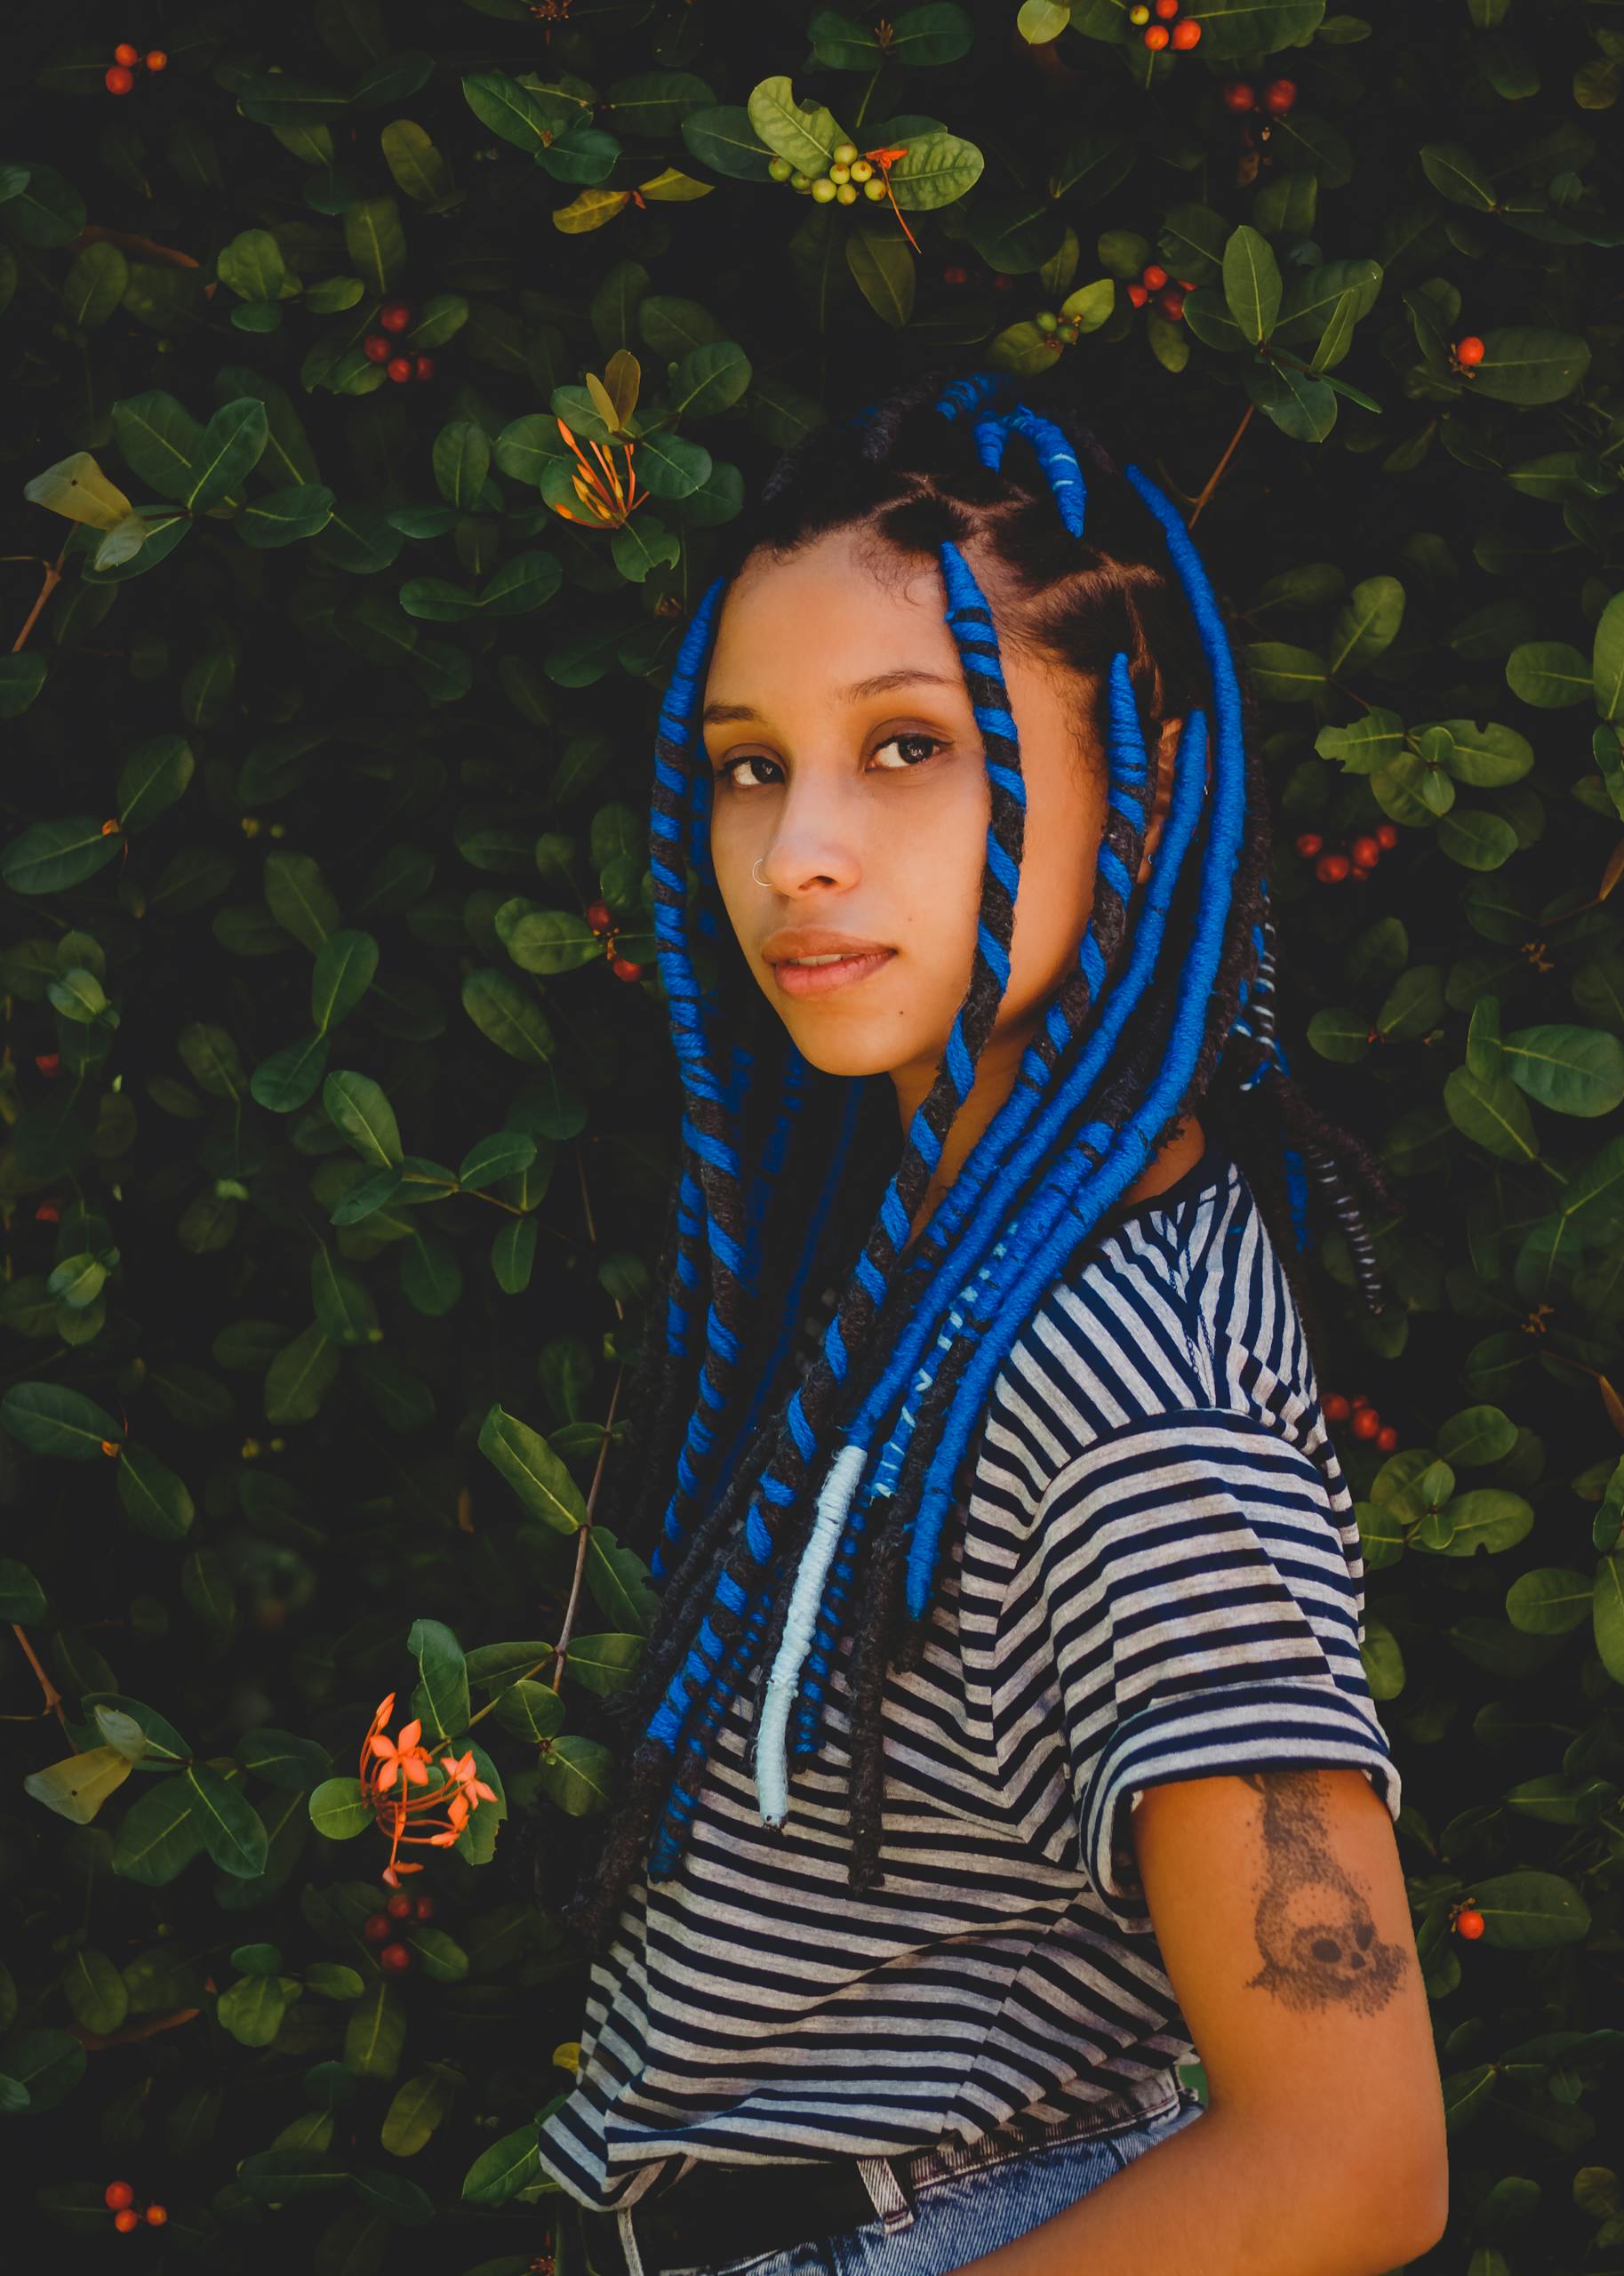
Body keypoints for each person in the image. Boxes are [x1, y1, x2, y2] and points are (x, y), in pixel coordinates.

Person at [524, 365, 1448, 2276]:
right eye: (751, 762)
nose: (795, 856)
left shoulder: (1129, 1395)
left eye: (912, 747)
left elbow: (1350, 2159)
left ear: (1148, 783)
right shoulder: (936, 1249)